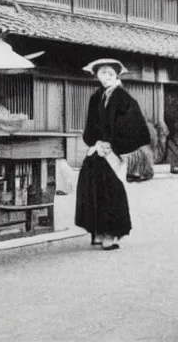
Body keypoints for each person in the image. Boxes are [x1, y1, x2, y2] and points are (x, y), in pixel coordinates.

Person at [75, 58, 150, 251]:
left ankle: (111, 234)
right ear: (96, 76)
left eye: (110, 73)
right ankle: (97, 231)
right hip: (98, 150)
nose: (106, 76)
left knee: (111, 191)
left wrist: (112, 144)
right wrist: (95, 142)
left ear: (116, 74)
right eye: (102, 73)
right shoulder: (95, 97)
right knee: (90, 186)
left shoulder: (125, 99)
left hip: (115, 151)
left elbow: (137, 129)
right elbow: (90, 127)